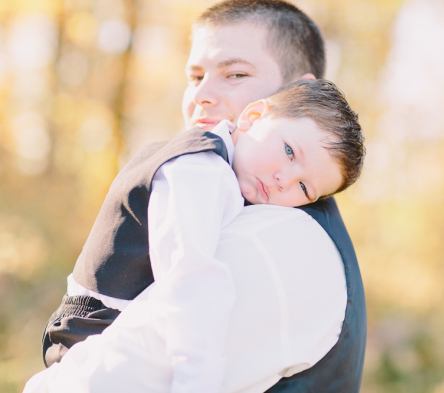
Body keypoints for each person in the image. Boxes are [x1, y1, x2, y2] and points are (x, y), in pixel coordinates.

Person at [40, 0, 368, 392]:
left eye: (235, 73)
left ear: (299, 89)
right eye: (195, 77)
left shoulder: (277, 236)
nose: (203, 96)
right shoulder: (199, 168)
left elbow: (120, 374)